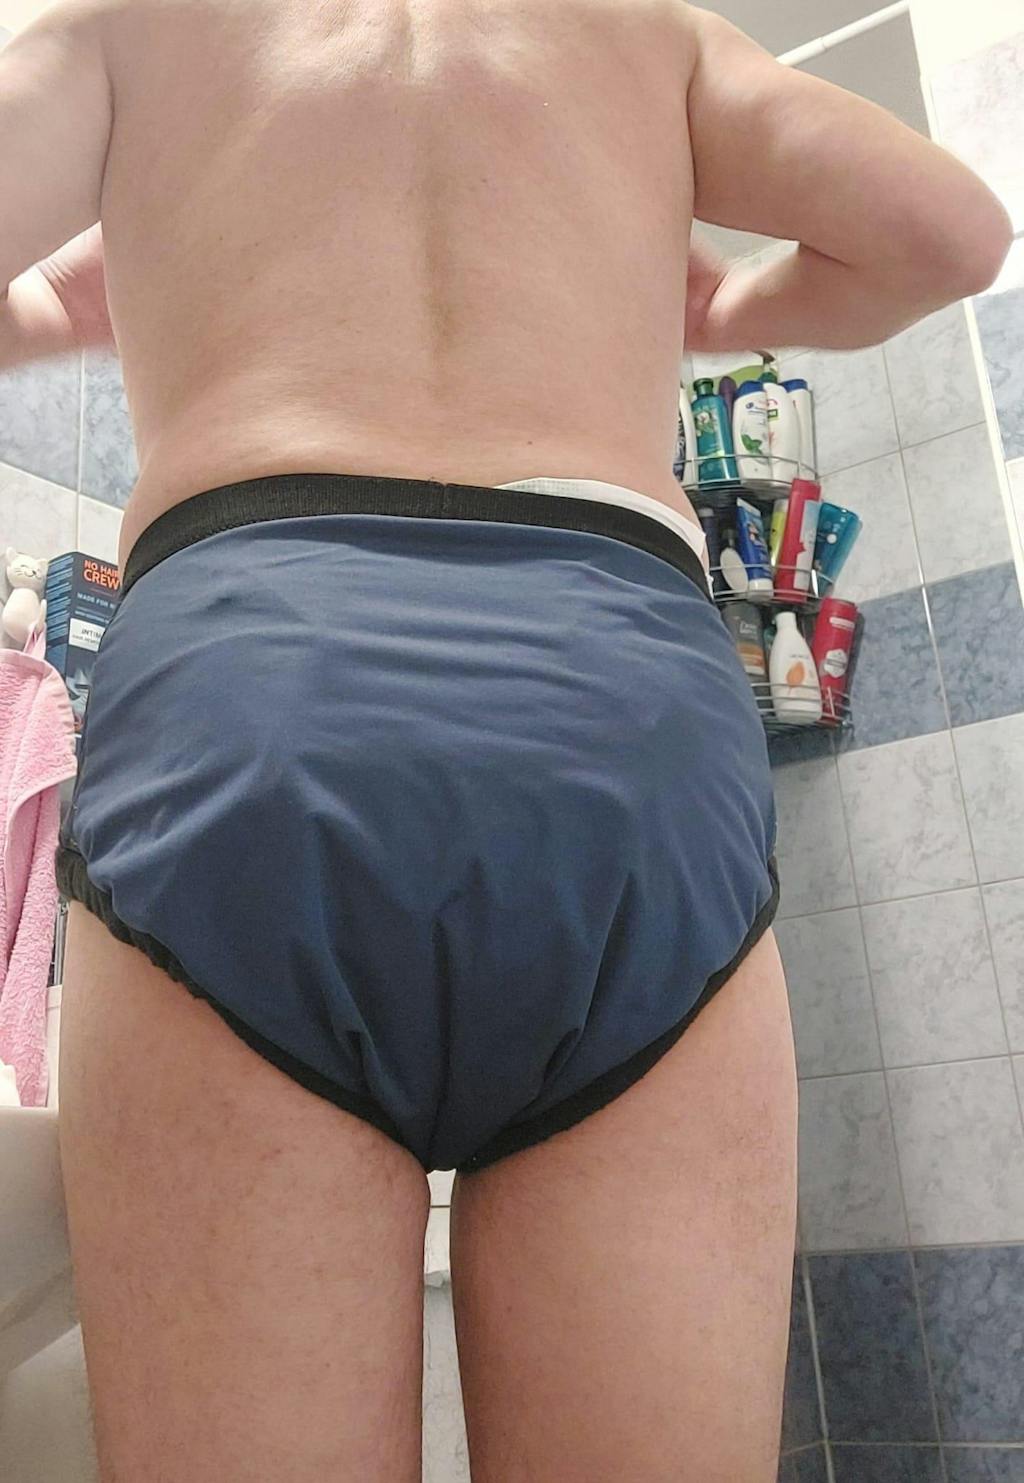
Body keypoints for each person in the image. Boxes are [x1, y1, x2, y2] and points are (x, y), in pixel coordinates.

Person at [0, 1, 1011, 1479]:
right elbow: (952, 234)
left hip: (258, 683)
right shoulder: (642, 32)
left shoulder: (144, 25)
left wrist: (58, 308)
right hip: (620, 702)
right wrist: (723, 310)